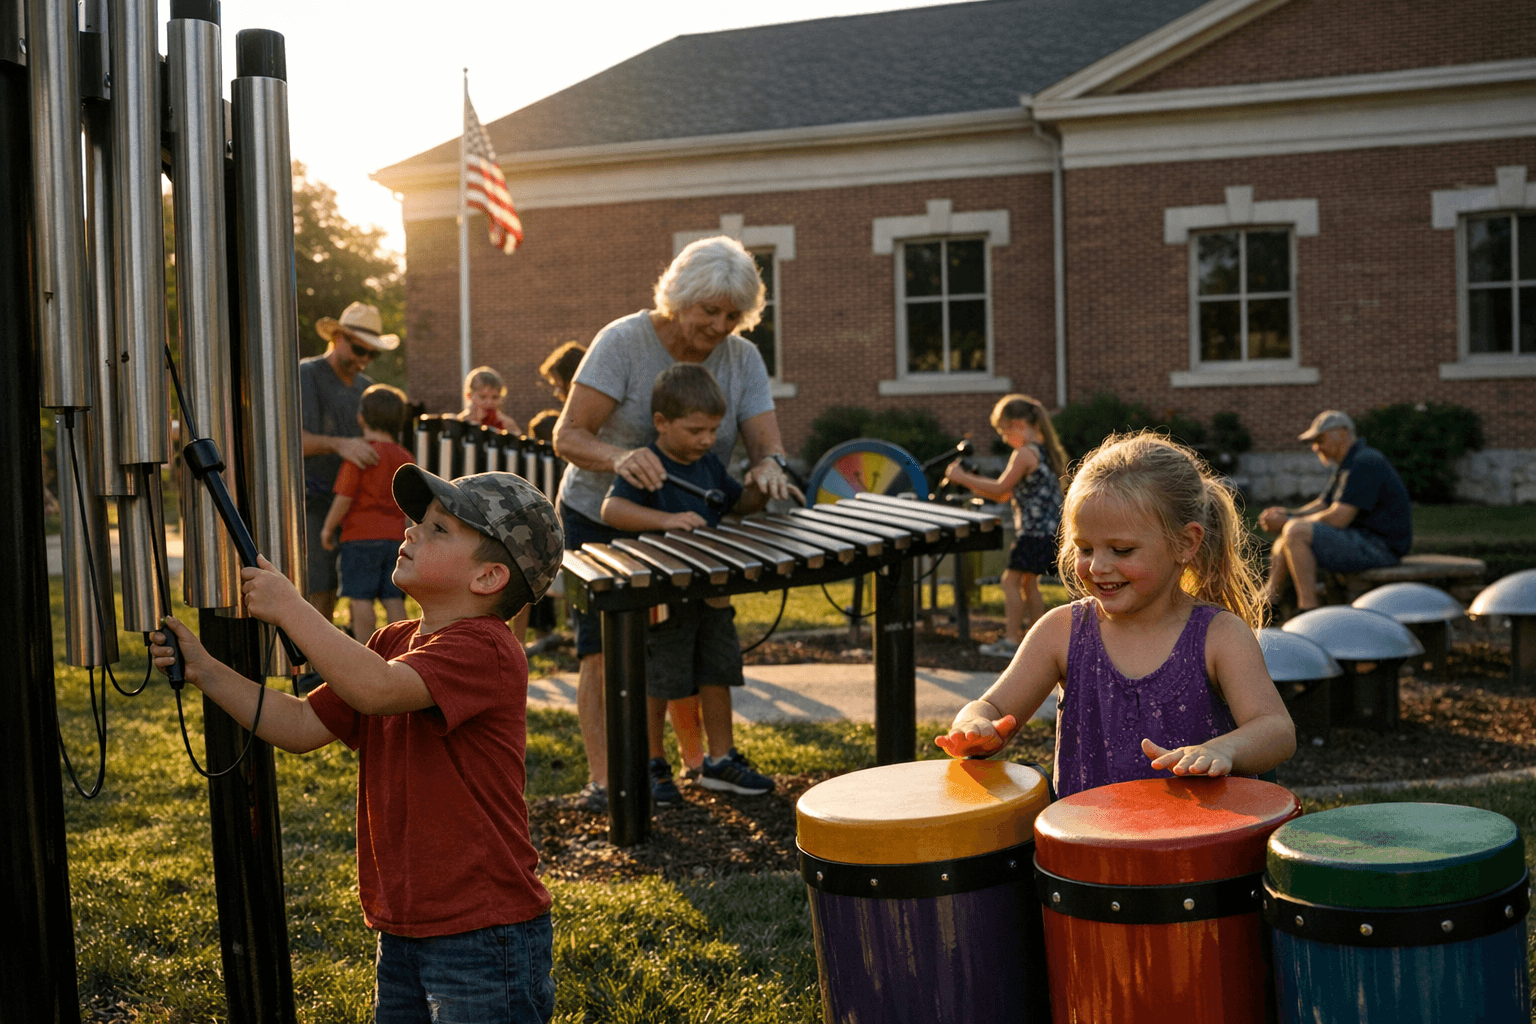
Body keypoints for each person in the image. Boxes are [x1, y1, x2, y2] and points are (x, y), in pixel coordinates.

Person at [149, 468, 563, 1023]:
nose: (412, 530)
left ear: (488, 577)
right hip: (404, 924)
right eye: (419, 521)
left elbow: (375, 690)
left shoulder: (485, 649)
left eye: (439, 530)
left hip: (485, 932)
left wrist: (290, 607)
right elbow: (299, 725)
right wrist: (205, 671)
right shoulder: (391, 643)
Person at [552, 235, 800, 812]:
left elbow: (770, 446)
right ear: (678, 297)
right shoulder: (624, 342)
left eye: (733, 315)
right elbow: (568, 436)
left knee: (682, 643)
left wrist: (769, 469)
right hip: (604, 516)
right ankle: (607, 778)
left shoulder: (742, 358)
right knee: (603, 652)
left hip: (687, 527)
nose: (719, 326)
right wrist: (618, 457)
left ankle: (696, 765)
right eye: (708, 311)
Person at [936, 431, 1295, 799]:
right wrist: (974, 725)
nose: (1098, 566)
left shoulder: (1218, 635)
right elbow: (992, 705)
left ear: (1186, 543)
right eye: (1085, 548)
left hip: (1199, 850)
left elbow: (1276, 729)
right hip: (1090, 847)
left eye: (1121, 550)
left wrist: (1224, 749)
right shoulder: (1062, 631)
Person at [601, 364, 776, 804]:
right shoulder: (648, 464)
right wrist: (667, 520)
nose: (706, 439)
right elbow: (613, 510)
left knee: (717, 674)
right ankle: (652, 760)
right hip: (662, 599)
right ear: (661, 423)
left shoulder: (710, 464)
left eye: (714, 430)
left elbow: (740, 505)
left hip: (712, 596)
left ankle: (719, 760)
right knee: (659, 682)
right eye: (696, 430)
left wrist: (763, 485)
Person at [942, 394, 1069, 658]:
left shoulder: (1023, 453)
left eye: (1003, 430)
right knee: (1027, 584)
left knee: (1009, 582)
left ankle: (1012, 641)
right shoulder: (1042, 451)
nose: (1003, 438)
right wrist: (973, 480)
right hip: (1047, 532)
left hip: (1033, 533)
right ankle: (1042, 643)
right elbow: (1003, 495)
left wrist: (962, 477)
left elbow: (1001, 487)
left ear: (1018, 425)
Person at [301, 301, 399, 624]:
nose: (364, 360)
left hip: (357, 505)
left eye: (372, 354)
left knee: (360, 592)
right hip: (313, 499)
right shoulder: (307, 374)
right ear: (338, 338)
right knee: (319, 584)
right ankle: (314, 667)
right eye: (359, 349)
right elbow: (292, 441)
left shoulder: (366, 387)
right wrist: (340, 444)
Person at [1259, 410, 1412, 616]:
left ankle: (1307, 609)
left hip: (1380, 548)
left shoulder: (1365, 462)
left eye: (1319, 439)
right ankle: (1268, 602)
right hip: (1363, 540)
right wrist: (1285, 513)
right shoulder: (1348, 463)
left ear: (1341, 433)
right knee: (1288, 534)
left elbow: (1339, 517)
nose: (1315, 447)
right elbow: (1323, 505)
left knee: (1296, 531)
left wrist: (1289, 520)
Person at [320, 384, 416, 642]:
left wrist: (328, 529)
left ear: (361, 416)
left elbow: (344, 498)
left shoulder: (360, 454)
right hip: (395, 539)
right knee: (393, 598)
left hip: (359, 538)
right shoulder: (405, 457)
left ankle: (365, 651)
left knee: (361, 598)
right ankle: (402, 650)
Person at [458, 365, 521, 434]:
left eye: (495, 397)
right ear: (469, 395)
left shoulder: (506, 424)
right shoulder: (460, 423)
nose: (489, 402)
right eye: (483, 397)